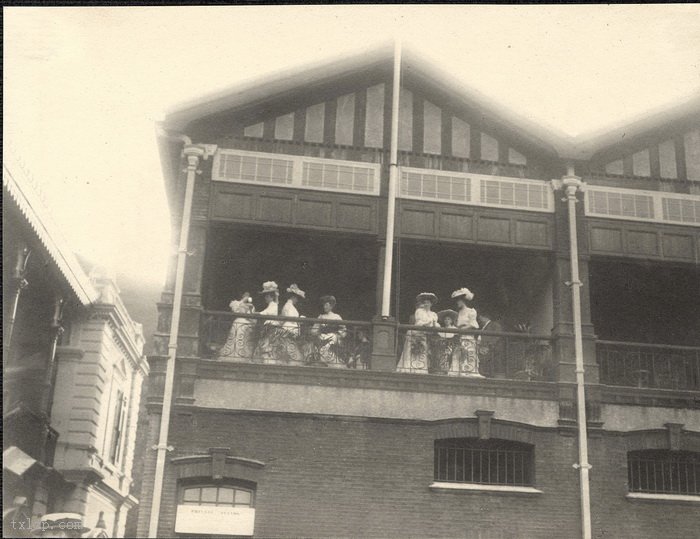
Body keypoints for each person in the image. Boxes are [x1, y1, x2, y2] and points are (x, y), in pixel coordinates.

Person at [396, 292, 439, 374]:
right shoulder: (419, 311)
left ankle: (420, 369)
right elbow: (419, 322)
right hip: (415, 333)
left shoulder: (433, 314)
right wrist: (428, 323)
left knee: (422, 352)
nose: (426, 304)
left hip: (424, 335)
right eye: (425, 302)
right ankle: (409, 368)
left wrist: (432, 324)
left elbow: (435, 325)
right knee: (413, 350)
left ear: (431, 304)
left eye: (428, 302)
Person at [451, 287, 483, 377]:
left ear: (463, 301)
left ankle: (469, 371)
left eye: (458, 301)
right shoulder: (459, 312)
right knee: (459, 354)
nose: (457, 303)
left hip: (468, 336)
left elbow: (473, 325)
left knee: (468, 354)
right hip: (460, 337)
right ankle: (458, 372)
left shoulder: (471, 311)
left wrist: (462, 329)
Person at [218, 292, 256, 362]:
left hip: (246, 322)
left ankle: (243, 355)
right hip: (238, 321)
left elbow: (251, 315)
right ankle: (232, 354)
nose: (247, 297)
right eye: (245, 296)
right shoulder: (236, 303)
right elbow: (235, 310)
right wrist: (243, 301)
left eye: (248, 296)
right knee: (236, 336)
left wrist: (250, 309)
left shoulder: (251, 306)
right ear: (242, 296)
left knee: (244, 338)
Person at [312, 295, 347, 367]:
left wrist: (338, 335)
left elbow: (343, 329)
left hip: (332, 338)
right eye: (324, 305)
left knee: (332, 339)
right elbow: (314, 329)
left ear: (331, 306)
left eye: (327, 305)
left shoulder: (336, 317)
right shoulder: (321, 316)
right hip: (322, 338)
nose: (325, 307)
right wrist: (317, 332)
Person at [278, 284, 306, 365]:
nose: (297, 300)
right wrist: (300, 319)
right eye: (296, 298)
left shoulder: (290, 306)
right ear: (293, 297)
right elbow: (290, 318)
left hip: (291, 329)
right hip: (289, 329)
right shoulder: (288, 306)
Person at [254, 281, 280, 363]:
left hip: (271, 325)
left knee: (268, 342)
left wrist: (257, 313)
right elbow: (265, 311)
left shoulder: (273, 305)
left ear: (271, 297)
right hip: (269, 325)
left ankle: (269, 359)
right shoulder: (271, 304)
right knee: (265, 342)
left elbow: (266, 313)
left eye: (267, 296)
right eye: (266, 296)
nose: (266, 298)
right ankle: (265, 358)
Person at [477, 313, 504, 378]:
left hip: (490, 348)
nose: (480, 319)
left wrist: (489, 345)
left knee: (491, 363)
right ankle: (485, 374)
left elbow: (497, 336)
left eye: (481, 317)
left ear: (485, 317)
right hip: (483, 348)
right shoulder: (483, 326)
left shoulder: (494, 325)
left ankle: (491, 376)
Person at [437, 309, 459, 375]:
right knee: (441, 356)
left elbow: (456, 339)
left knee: (448, 356)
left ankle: (448, 370)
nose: (447, 321)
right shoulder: (441, 329)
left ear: (451, 321)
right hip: (442, 346)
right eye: (445, 319)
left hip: (450, 346)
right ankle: (442, 370)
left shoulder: (454, 329)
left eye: (448, 319)